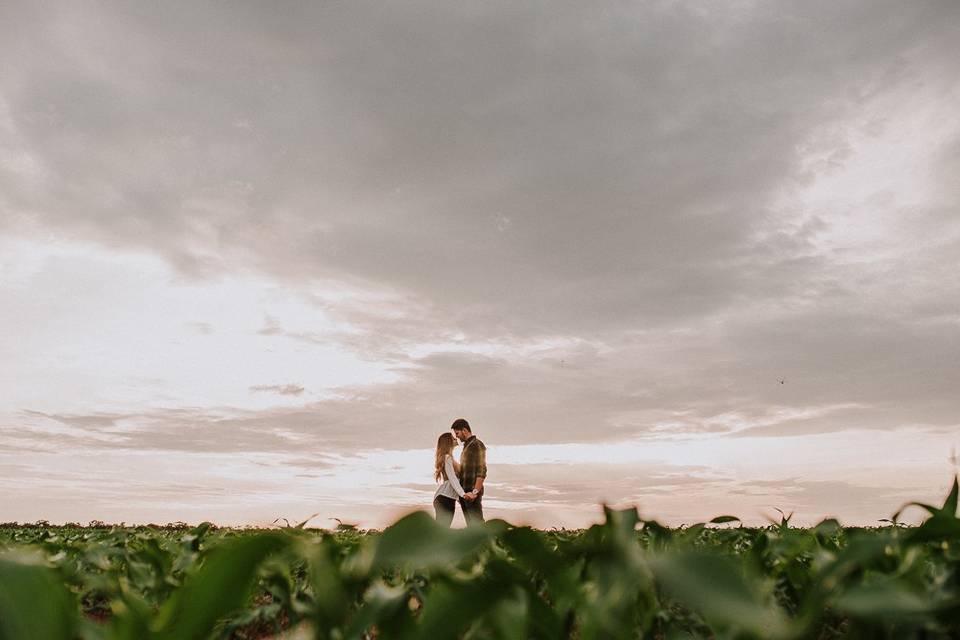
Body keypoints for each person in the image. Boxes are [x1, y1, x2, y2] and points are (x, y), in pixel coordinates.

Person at [451, 418, 486, 525]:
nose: (456, 436)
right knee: (471, 528)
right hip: (465, 495)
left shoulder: (477, 444)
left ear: (464, 430)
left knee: (478, 526)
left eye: (457, 433)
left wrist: (475, 492)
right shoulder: (466, 447)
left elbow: (482, 470)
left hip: (472, 494)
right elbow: (463, 471)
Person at [433, 432, 466, 527]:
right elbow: (453, 479)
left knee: (442, 530)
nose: (456, 439)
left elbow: (455, 482)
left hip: (447, 498)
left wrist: (462, 499)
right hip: (444, 498)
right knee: (442, 530)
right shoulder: (447, 458)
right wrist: (463, 495)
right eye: (453, 438)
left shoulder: (451, 459)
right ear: (448, 442)